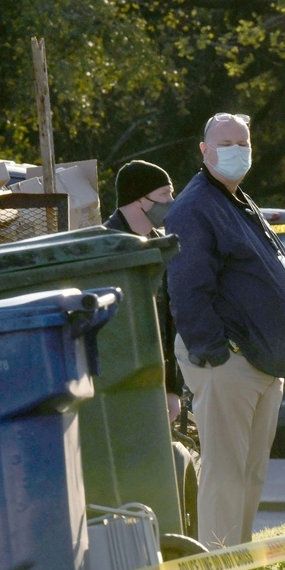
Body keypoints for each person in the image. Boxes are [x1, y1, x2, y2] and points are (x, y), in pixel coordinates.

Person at [164, 112, 285, 549]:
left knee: (250, 473)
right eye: (225, 143)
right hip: (229, 363)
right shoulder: (195, 206)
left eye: (242, 143)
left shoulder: (236, 199)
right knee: (225, 473)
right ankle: (215, 569)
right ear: (203, 150)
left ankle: (236, 559)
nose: (236, 151)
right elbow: (186, 288)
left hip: (261, 362)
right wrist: (217, 353)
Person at [104, 160, 183, 423]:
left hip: (156, 380)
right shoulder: (104, 247)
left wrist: (173, 389)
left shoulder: (162, 246)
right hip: (116, 385)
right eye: (164, 194)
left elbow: (171, 325)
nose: (171, 201)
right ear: (138, 200)